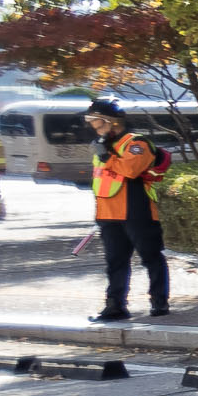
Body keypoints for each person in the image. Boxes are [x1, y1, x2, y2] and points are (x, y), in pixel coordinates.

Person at [85, 99, 171, 323]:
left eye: (95, 121)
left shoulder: (136, 143)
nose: (92, 125)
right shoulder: (101, 145)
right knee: (115, 261)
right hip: (108, 213)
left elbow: (131, 170)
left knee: (150, 257)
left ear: (111, 122)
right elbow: (100, 181)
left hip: (136, 209)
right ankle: (115, 306)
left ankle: (159, 302)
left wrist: (107, 156)